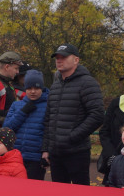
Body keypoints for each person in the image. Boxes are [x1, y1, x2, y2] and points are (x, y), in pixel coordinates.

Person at [42, 44, 104, 185]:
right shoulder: (56, 85)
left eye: (63, 57)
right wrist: (46, 148)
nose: (59, 60)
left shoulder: (88, 83)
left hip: (77, 152)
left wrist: (73, 136)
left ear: (76, 60)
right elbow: (48, 118)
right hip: (56, 153)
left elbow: (97, 114)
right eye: (57, 57)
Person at [4, 68, 49, 180]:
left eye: (36, 88)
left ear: (42, 89)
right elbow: (7, 128)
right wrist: (23, 112)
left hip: (36, 158)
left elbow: (50, 131)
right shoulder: (17, 106)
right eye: (29, 88)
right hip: (16, 156)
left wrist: (46, 152)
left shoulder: (49, 106)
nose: (32, 91)